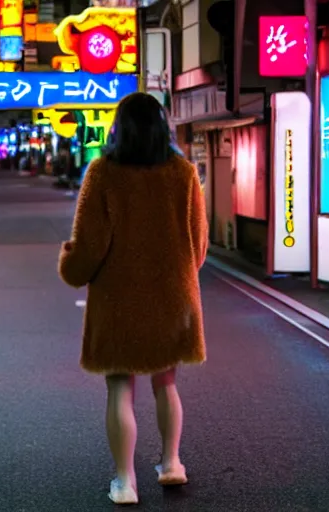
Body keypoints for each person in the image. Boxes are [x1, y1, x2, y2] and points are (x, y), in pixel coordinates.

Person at [58, 92, 208, 505]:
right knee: (166, 381)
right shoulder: (183, 173)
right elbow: (198, 242)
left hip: (118, 299)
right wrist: (178, 275)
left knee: (120, 387)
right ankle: (172, 463)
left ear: (117, 128)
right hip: (172, 297)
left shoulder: (103, 173)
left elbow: (89, 245)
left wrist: (71, 266)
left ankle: (125, 482)